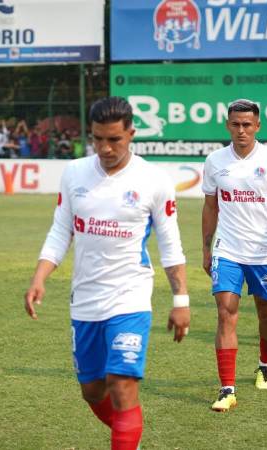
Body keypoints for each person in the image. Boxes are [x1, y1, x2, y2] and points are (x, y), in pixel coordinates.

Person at [24, 96, 190, 449]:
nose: (105, 148)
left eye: (114, 139)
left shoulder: (154, 180)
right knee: (92, 390)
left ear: (131, 134)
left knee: (121, 384)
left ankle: (126, 438)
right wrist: (40, 276)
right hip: (85, 299)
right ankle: (129, 435)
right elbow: (60, 230)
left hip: (130, 296)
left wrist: (181, 299)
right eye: (98, 139)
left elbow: (171, 244)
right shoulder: (74, 174)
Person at [202, 99, 267, 412]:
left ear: (257, 126)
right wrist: (205, 247)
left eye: (247, 125)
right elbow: (210, 206)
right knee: (226, 310)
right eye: (235, 124)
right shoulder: (215, 160)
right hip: (227, 249)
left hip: (263, 251)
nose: (241, 130)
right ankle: (226, 389)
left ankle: (265, 365)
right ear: (228, 125)